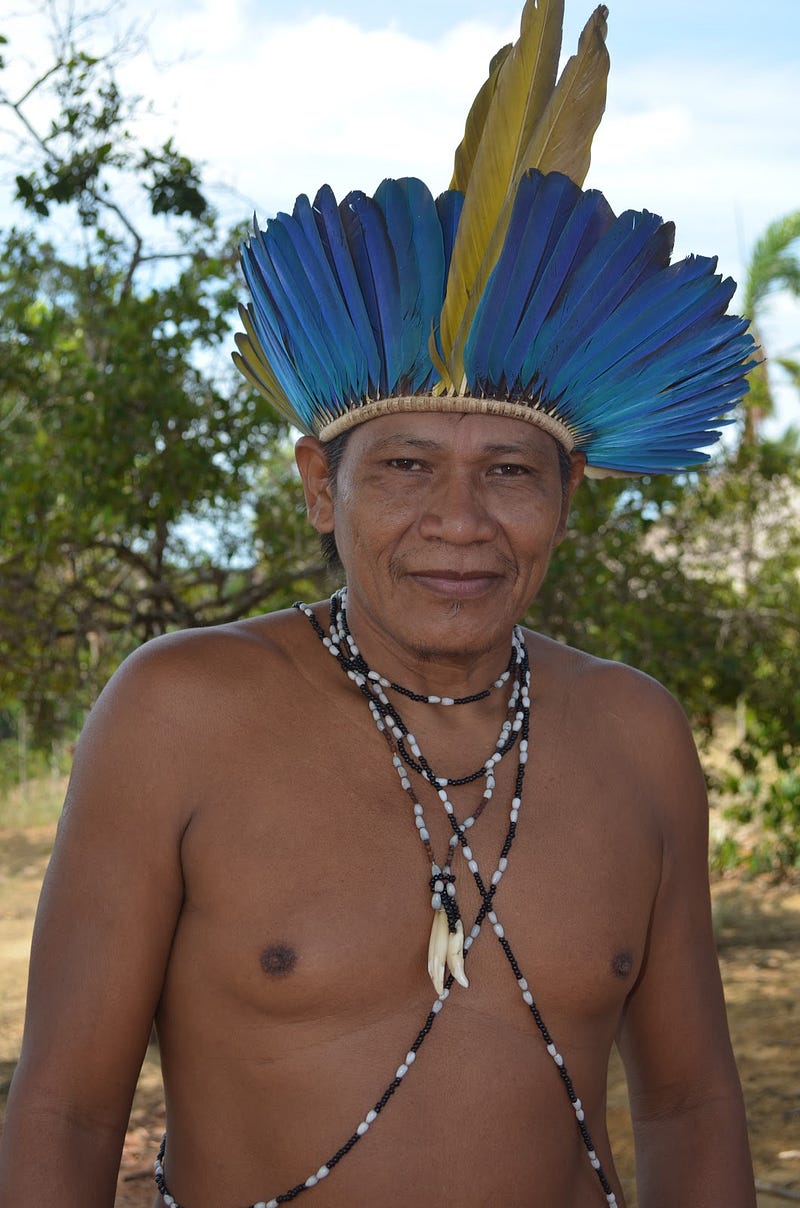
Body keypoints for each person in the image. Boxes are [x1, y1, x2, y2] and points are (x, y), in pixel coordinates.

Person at [0, 3, 758, 1205]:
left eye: (507, 471)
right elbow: (65, 1108)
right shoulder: (178, 713)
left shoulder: (635, 733)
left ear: (568, 494)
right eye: (404, 465)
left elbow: (690, 1102)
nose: (459, 521)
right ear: (320, 484)